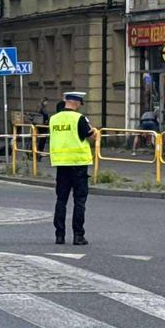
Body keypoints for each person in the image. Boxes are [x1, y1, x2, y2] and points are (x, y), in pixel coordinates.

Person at [49, 91, 98, 246]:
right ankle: (78, 235)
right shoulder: (79, 118)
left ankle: (59, 235)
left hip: (61, 164)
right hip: (78, 164)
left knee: (61, 200)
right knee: (79, 201)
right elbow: (90, 135)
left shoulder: (53, 119)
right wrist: (95, 131)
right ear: (77, 103)